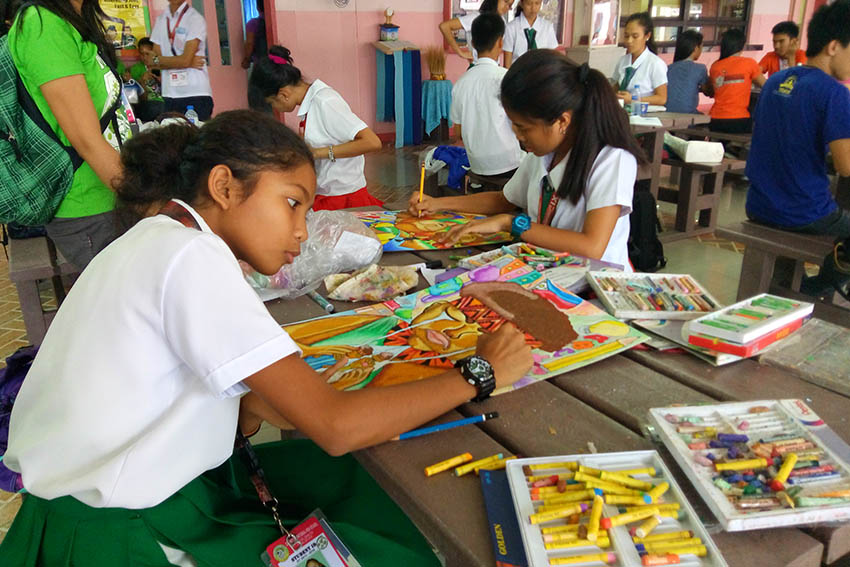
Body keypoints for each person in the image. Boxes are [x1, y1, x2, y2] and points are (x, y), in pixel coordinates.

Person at [0, 110, 534, 566]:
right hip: (121, 536)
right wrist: (478, 374)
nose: (302, 230)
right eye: (293, 203)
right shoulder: (190, 258)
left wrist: (256, 404)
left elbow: (207, 395)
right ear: (224, 187)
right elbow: (335, 426)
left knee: (352, 484)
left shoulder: (160, 238)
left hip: (120, 502)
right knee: (382, 518)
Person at [410, 50, 646, 270]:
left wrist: (511, 223)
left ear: (561, 122)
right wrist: (436, 204)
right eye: (513, 124)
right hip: (547, 270)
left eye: (524, 127)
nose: (518, 136)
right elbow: (503, 200)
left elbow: (591, 246)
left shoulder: (611, 159)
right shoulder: (544, 153)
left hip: (593, 284)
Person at [7, 0, 134, 270]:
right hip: (89, 208)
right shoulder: (41, 23)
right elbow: (86, 141)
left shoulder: (77, 18)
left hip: (111, 196)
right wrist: (147, 202)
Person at [746, 1, 850, 242]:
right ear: (834, 47)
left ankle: (786, 281)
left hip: (758, 205)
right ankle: (826, 282)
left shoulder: (775, 81)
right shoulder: (835, 93)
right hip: (804, 213)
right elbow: (845, 167)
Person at [248, 45, 384, 211]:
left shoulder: (325, 102)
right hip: (326, 193)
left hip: (343, 198)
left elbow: (372, 142)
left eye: (272, 103)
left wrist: (319, 153)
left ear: (283, 94)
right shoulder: (310, 104)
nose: (275, 109)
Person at [450, 13, 523, 185]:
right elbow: (520, 125)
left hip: (477, 164)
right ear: (500, 42)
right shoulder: (507, 78)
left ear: (473, 43)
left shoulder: (460, 83)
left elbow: (458, 132)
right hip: (509, 164)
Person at [150, 0, 213, 120]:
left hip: (195, 92)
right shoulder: (161, 20)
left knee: (197, 135)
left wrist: (181, 61)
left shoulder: (194, 19)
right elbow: (153, 62)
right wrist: (185, 62)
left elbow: (183, 60)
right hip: (169, 93)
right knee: (174, 136)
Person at [708, 28, 766, 133]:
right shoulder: (749, 63)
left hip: (715, 119)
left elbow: (714, 91)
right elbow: (766, 86)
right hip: (738, 120)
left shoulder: (715, 66)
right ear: (742, 46)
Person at [612, 12, 667, 107]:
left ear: (647, 36)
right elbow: (615, 88)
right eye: (626, 36)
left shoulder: (655, 63)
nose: (629, 41)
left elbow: (662, 98)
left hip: (645, 114)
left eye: (635, 36)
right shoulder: (623, 61)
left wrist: (633, 99)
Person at [438, 0, 511, 63]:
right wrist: (460, 53)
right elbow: (444, 26)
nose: (507, 7)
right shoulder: (477, 17)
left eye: (510, 5)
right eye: (505, 1)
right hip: (477, 65)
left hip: (494, 67)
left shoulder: (502, 21)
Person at [666, 29, 711, 114]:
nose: (701, 51)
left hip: (667, 113)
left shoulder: (668, 68)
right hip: (689, 115)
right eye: (701, 47)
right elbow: (708, 92)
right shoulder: (700, 68)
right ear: (695, 48)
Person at [503, 0, 558, 68]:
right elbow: (507, 62)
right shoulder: (511, 27)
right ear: (521, 4)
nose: (533, 8)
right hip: (518, 74)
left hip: (541, 74)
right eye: (529, 4)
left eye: (537, 3)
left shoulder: (547, 27)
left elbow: (553, 58)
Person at [130, 37, 165, 122]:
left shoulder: (162, 65)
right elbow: (137, 99)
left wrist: (160, 79)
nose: (145, 57)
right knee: (154, 108)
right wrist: (142, 81)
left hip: (165, 101)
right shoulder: (136, 69)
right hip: (148, 104)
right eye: (142, 54)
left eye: (147, 54)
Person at [241, 0, 267, 69]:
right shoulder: (275, 21)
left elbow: (250, 43)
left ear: (257, 7)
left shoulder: (253, 23)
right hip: (276, 63)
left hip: (260, 62)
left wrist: (247, 59)